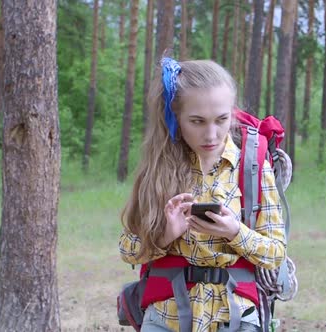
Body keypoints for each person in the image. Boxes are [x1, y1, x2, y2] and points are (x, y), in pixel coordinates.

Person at [119, 57, 286, 332]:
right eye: (197, 121)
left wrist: (235, 232)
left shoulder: (252, 166)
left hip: (235, 316)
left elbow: (275, 254)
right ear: (176, 117)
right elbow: (127, 249)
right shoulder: (158, 168)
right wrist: (164, 235)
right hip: (165, 317)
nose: (211, 134)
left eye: (222, 120)